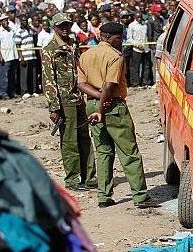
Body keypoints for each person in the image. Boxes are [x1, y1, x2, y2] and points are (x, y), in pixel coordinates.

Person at [77, 21, 157, 209]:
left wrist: (96, 101)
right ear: (109, 38)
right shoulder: (115, 56)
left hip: (91, 104)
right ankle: (140, 196)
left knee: (103, 151)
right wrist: (102, 106)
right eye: (119, 38)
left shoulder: (86, 55)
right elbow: (109, 85)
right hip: (112, 107)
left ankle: (104, 196)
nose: (121, 42)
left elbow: (81, 84)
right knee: (128, 151)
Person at [41, 12, 96, 192]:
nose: (65, 28)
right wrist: (54, 107)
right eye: (61, 26)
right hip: (64, 101)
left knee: (84, 139)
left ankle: (89, 177)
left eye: (67, 25)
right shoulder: (50, 50)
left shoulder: (73, 44)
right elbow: (49, 81)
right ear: (54, 28)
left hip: (78, 97)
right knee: (69, 142)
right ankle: (72, 180)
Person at [0, 15, 17, 100]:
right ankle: (3, 93)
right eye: (3, 21)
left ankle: (12, 92)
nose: (5, 22)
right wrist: (0, 57)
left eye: (6, 20)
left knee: (12, 76)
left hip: (13, 56)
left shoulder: (11, 30)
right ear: (0, 22)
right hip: (4, 58)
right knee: (4, 77)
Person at [14, 18, 39, 96]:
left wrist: (30, 27)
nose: (25, 22)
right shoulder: (19, 31)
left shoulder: (30, 30)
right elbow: (17, 45)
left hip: (32, 55)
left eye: (26, 21)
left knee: (33, 74)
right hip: (25, 56)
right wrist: (21, 58)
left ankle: (33, 90)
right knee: (24, 75)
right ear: (21, 22)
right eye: (23, 21)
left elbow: (37, 32)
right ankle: (25, 91)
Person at [128, 11, 152, 87]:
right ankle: (135, 83)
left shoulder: (145, 24)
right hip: (136, 49)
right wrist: (137, 45)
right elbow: (129, 38)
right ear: (135, 17)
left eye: (140, 17)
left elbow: (148, 35)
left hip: (146, 48)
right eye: (137, 17)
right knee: (135, 66)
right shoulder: (132, 25)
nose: (139, 19)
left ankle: (145, 82)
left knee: (147, 66)